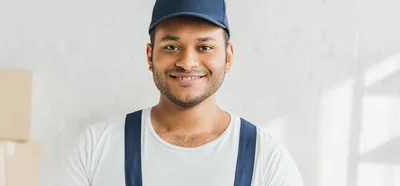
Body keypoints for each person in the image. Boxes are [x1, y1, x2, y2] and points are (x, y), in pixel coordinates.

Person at [57, 0, 304, 185]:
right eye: (171, 46)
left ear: (228, 57)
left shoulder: (267, 159)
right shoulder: (96, 146)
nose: (187, 62)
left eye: (204, 47)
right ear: (149, 56)